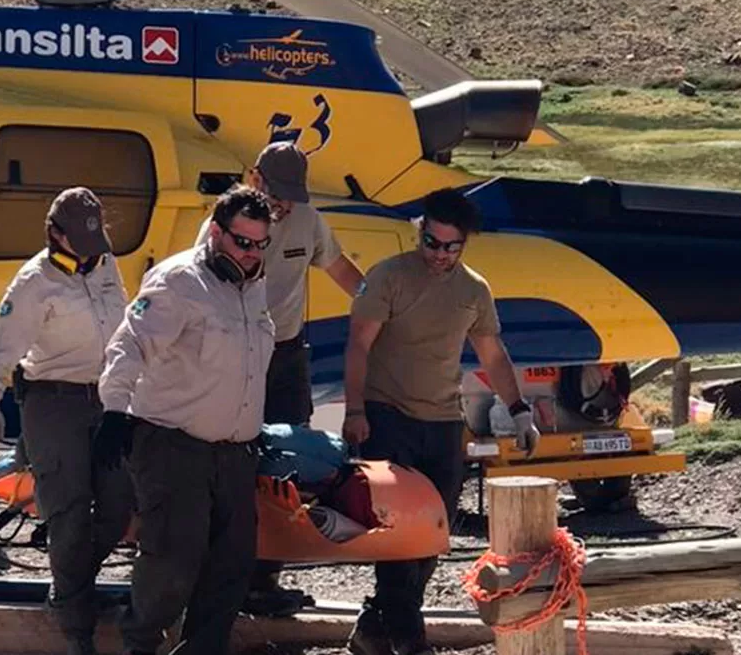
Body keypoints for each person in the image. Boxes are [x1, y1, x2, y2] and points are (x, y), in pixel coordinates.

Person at [341, 187, 540, 655]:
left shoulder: (474, 289)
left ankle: (374, 629)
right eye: (432, 242)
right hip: (387, 417)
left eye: (452, 246)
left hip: (443, 421)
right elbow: (358, 346)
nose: (440, 254)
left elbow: (493, 354)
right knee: (396, 535)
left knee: (433, 535)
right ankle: (411, 642)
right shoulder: (388, 277)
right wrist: (354, 411)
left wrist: (518, 410)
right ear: (420, 233)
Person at [97, 186, 275, 655]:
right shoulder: (177, 281)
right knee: (173, 561)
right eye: (242, 242)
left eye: (261, 244)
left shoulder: (254, 288)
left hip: (235, 452)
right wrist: (115, 409)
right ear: (216, 233)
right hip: (174, 445)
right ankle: (140, 644)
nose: (252, 253)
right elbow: (129, 344)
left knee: (231, 567)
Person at [195, 141, 363, 613]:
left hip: (286, 357)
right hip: (232, 357)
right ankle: (219, 575)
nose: (283, 204)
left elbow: (341, 269)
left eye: (292, 195)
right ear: (255, 179)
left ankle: (265, 576)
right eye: (277, 192)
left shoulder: (309, 221)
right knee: (230, 462)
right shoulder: (228, 221)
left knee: (286, 467)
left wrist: (379, 307)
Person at [0, 187, 134, 655]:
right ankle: (77, 629)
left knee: (121, 501)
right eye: (79, 240)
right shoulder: (33, 282)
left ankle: (69, 585)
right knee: (69, 513)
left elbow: (124, 325)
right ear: (55, 234)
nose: (88, 250)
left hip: (107, 398)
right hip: (52, 401)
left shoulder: (106, 264)